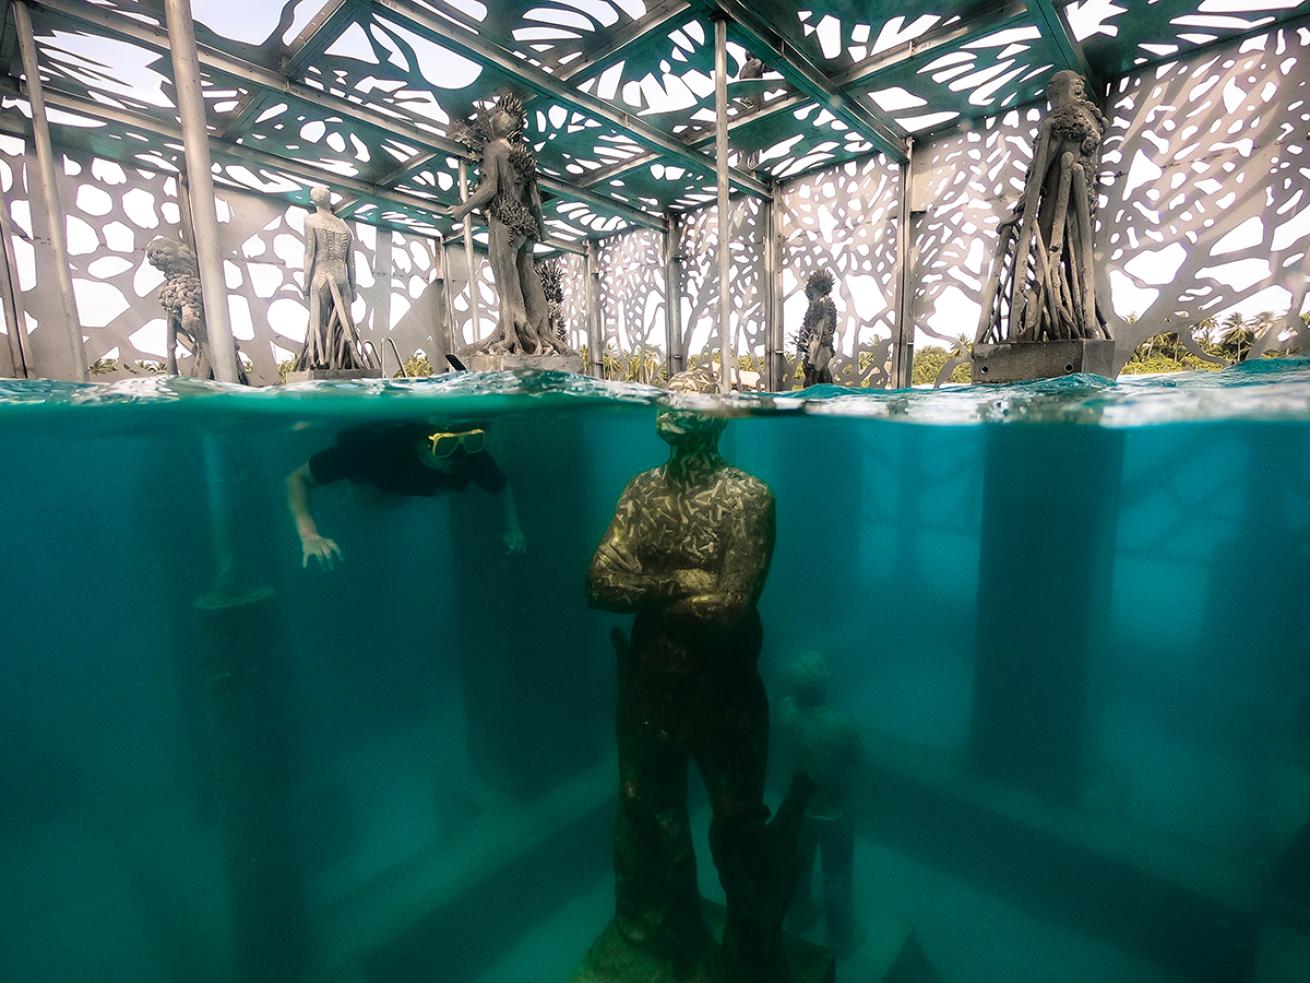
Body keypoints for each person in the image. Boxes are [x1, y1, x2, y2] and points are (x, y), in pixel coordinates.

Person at [583, 367, 815, 983]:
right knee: (645, 813)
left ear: (716, 414)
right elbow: (598, 583)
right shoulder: (639, 493)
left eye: (690, 396)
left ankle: (751, 952)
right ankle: (662, 931)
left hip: (724, 697)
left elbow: (733, 608)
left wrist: (651, 595)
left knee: (737, 828)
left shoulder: (747, 498)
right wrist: (679, 582)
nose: (671, 405)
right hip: (648, 693)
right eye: (669, 393)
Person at [286, 422, 525, 569]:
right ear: (420, 444)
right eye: (444, 447)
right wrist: (309, 535)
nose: (458, 455)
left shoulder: (471, 457)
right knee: (370, 504)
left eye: (472, 442)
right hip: (377, 481)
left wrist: (513, 527)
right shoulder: (372, 452)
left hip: (411, 484)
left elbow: (501, 488)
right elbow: (295, 479)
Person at [778, 650, 862, 954]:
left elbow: (788, 704)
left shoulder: (786, 712)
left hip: (798, 809)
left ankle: (799, 916)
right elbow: (854, 758)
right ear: (824, 686)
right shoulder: (842, 726)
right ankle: (840, 937)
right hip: (833, 812)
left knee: (799, 865)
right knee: (837, 873)